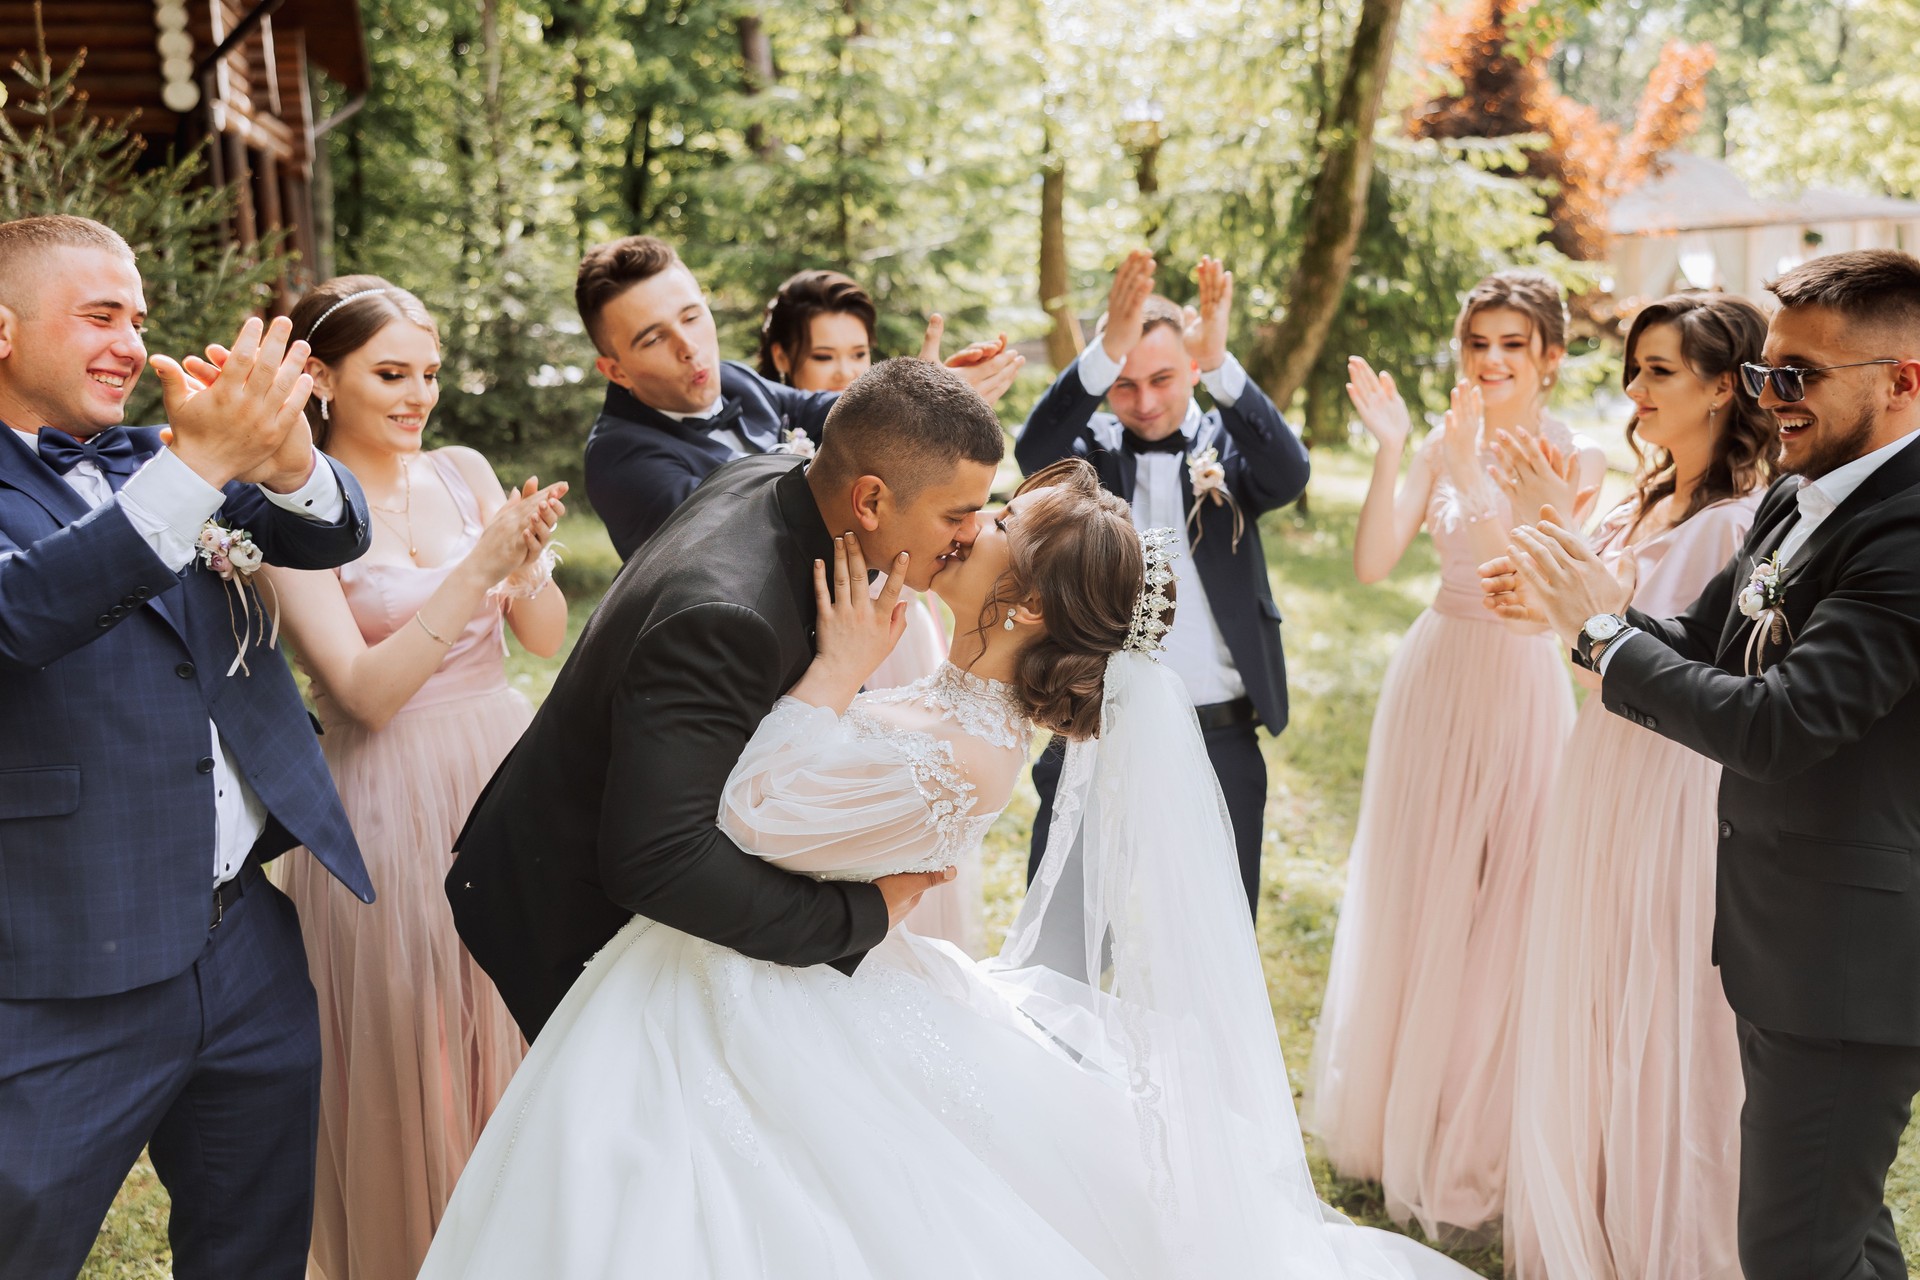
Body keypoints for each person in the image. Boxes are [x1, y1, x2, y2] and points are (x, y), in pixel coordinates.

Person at [419, 458, 1477, 1280]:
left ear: (1022, 608)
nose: (973, 524)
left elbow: (740, 815)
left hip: (748, 989)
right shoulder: (954, 698)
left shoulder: (966, 750)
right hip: (735, 966)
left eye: (1001, 525)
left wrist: (833, 676)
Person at [1484, 248, 1920, 1280]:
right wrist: (1600, 610)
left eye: (1800, 376)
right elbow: (1703, 635)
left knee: (1791, 1249)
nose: (1775, 400)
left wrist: (1600, 639)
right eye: (1770, 373)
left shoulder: (1905, 530)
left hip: (1856, 955)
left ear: (1905, 379)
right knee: (1839, 1228)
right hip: (1780, 931)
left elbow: (1782, 722)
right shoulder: (1794, 494)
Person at [0, 215, 373, 1278]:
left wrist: (292, 454)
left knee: (255, 1245)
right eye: (100, 314)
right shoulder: (177, 463)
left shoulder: (151, 456)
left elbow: (332, 529)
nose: (131, 340)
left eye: (141, 317)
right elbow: (27, 610)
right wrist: (204, 457)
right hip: (60, 953)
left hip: (242, 939)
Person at [447, 358, 1003, 1042]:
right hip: (565, 914)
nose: (970, 535)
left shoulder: (774, 476)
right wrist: (862, 916)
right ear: (870, 501)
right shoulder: (726, 619)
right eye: (958, 514)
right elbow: (658, 858)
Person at [259, 276, 568, 1280]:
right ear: (320, 379)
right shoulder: (285, 514)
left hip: (503, 767)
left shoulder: (463, 469)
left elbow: (543, 634)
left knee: (518, 1022)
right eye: (391, 373)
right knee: (409, 1045)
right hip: (385, 795)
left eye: (428, 372)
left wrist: (529, 561)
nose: (417, 394)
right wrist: (478, 567)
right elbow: (362, 695)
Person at [1305, 269, 1606, 1240]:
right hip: (1433, 671)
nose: (1491, 359)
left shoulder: (1574, 450)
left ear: (1550, 356)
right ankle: (1402, 1115)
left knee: (1506, 896)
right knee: (1419, 886)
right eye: (1479, 342)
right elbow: (1375, 560)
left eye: (1513, 343)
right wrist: (1402, 450)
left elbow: (1547, 579)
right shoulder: (1440, 439)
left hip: (1520, 678)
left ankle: (1475, 1129)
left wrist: (1489, 473)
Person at [1498, 293, 1773, 1280]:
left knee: (1657, 993)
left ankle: (1670, 1229)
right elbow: (1593, 634)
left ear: (1722, 386)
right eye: (1636, 365)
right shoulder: (1646, 495)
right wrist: (1539, 588)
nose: (1635, 388)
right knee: (1601, 982)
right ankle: (1602, 1201)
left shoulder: (1726, 525)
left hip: (1667, 780)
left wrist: (1546, 534)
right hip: (1605, 761)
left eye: (1661, 369)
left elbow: (1646, 660)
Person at [1014, 249, 1309, 917]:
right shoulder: (1084, 456)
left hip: (1221, 733)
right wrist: (1101, 353)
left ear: (1193, 372)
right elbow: (1032, 452)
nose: (1145, 403)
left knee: (1217, 935)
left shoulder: (1226, 449)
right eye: (1124, 383)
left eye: (1164, 379)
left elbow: (1288, 473)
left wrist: (1224, 367)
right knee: (1065, 934)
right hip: (1095, 731)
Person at [758, 266, 972, 948]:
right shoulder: (773, 452)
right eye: (825, 357)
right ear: (782, 358)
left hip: (903, 631)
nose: (846, 373)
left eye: (860, 356)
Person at [578, 236, 1022, 559]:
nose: (688, 347)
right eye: (654, 339)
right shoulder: (619, 459)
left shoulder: (733, 380)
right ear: (615, 370)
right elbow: (734, 540)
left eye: (692, 317)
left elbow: (829, 409)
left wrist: (925, 391)